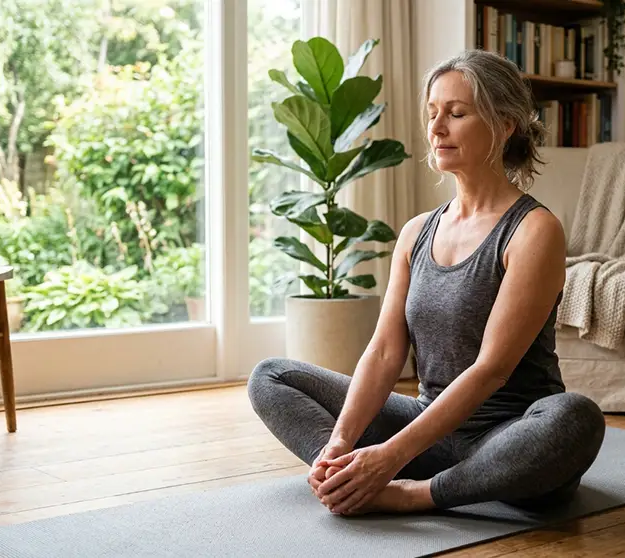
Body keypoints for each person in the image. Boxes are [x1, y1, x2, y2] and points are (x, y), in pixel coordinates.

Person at [247, 49, 606, 517]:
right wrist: (339, 442)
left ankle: (408, 493)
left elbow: (491, 369)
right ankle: (344, 475)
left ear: (505, 124)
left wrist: (391, 459)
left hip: (509, 436)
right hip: (425, 429)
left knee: (576, 419)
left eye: (456, 114)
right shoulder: (416, 232)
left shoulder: (534, 230)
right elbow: (382, 353)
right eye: (433, 113)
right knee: (270, 376)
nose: (436, 129)